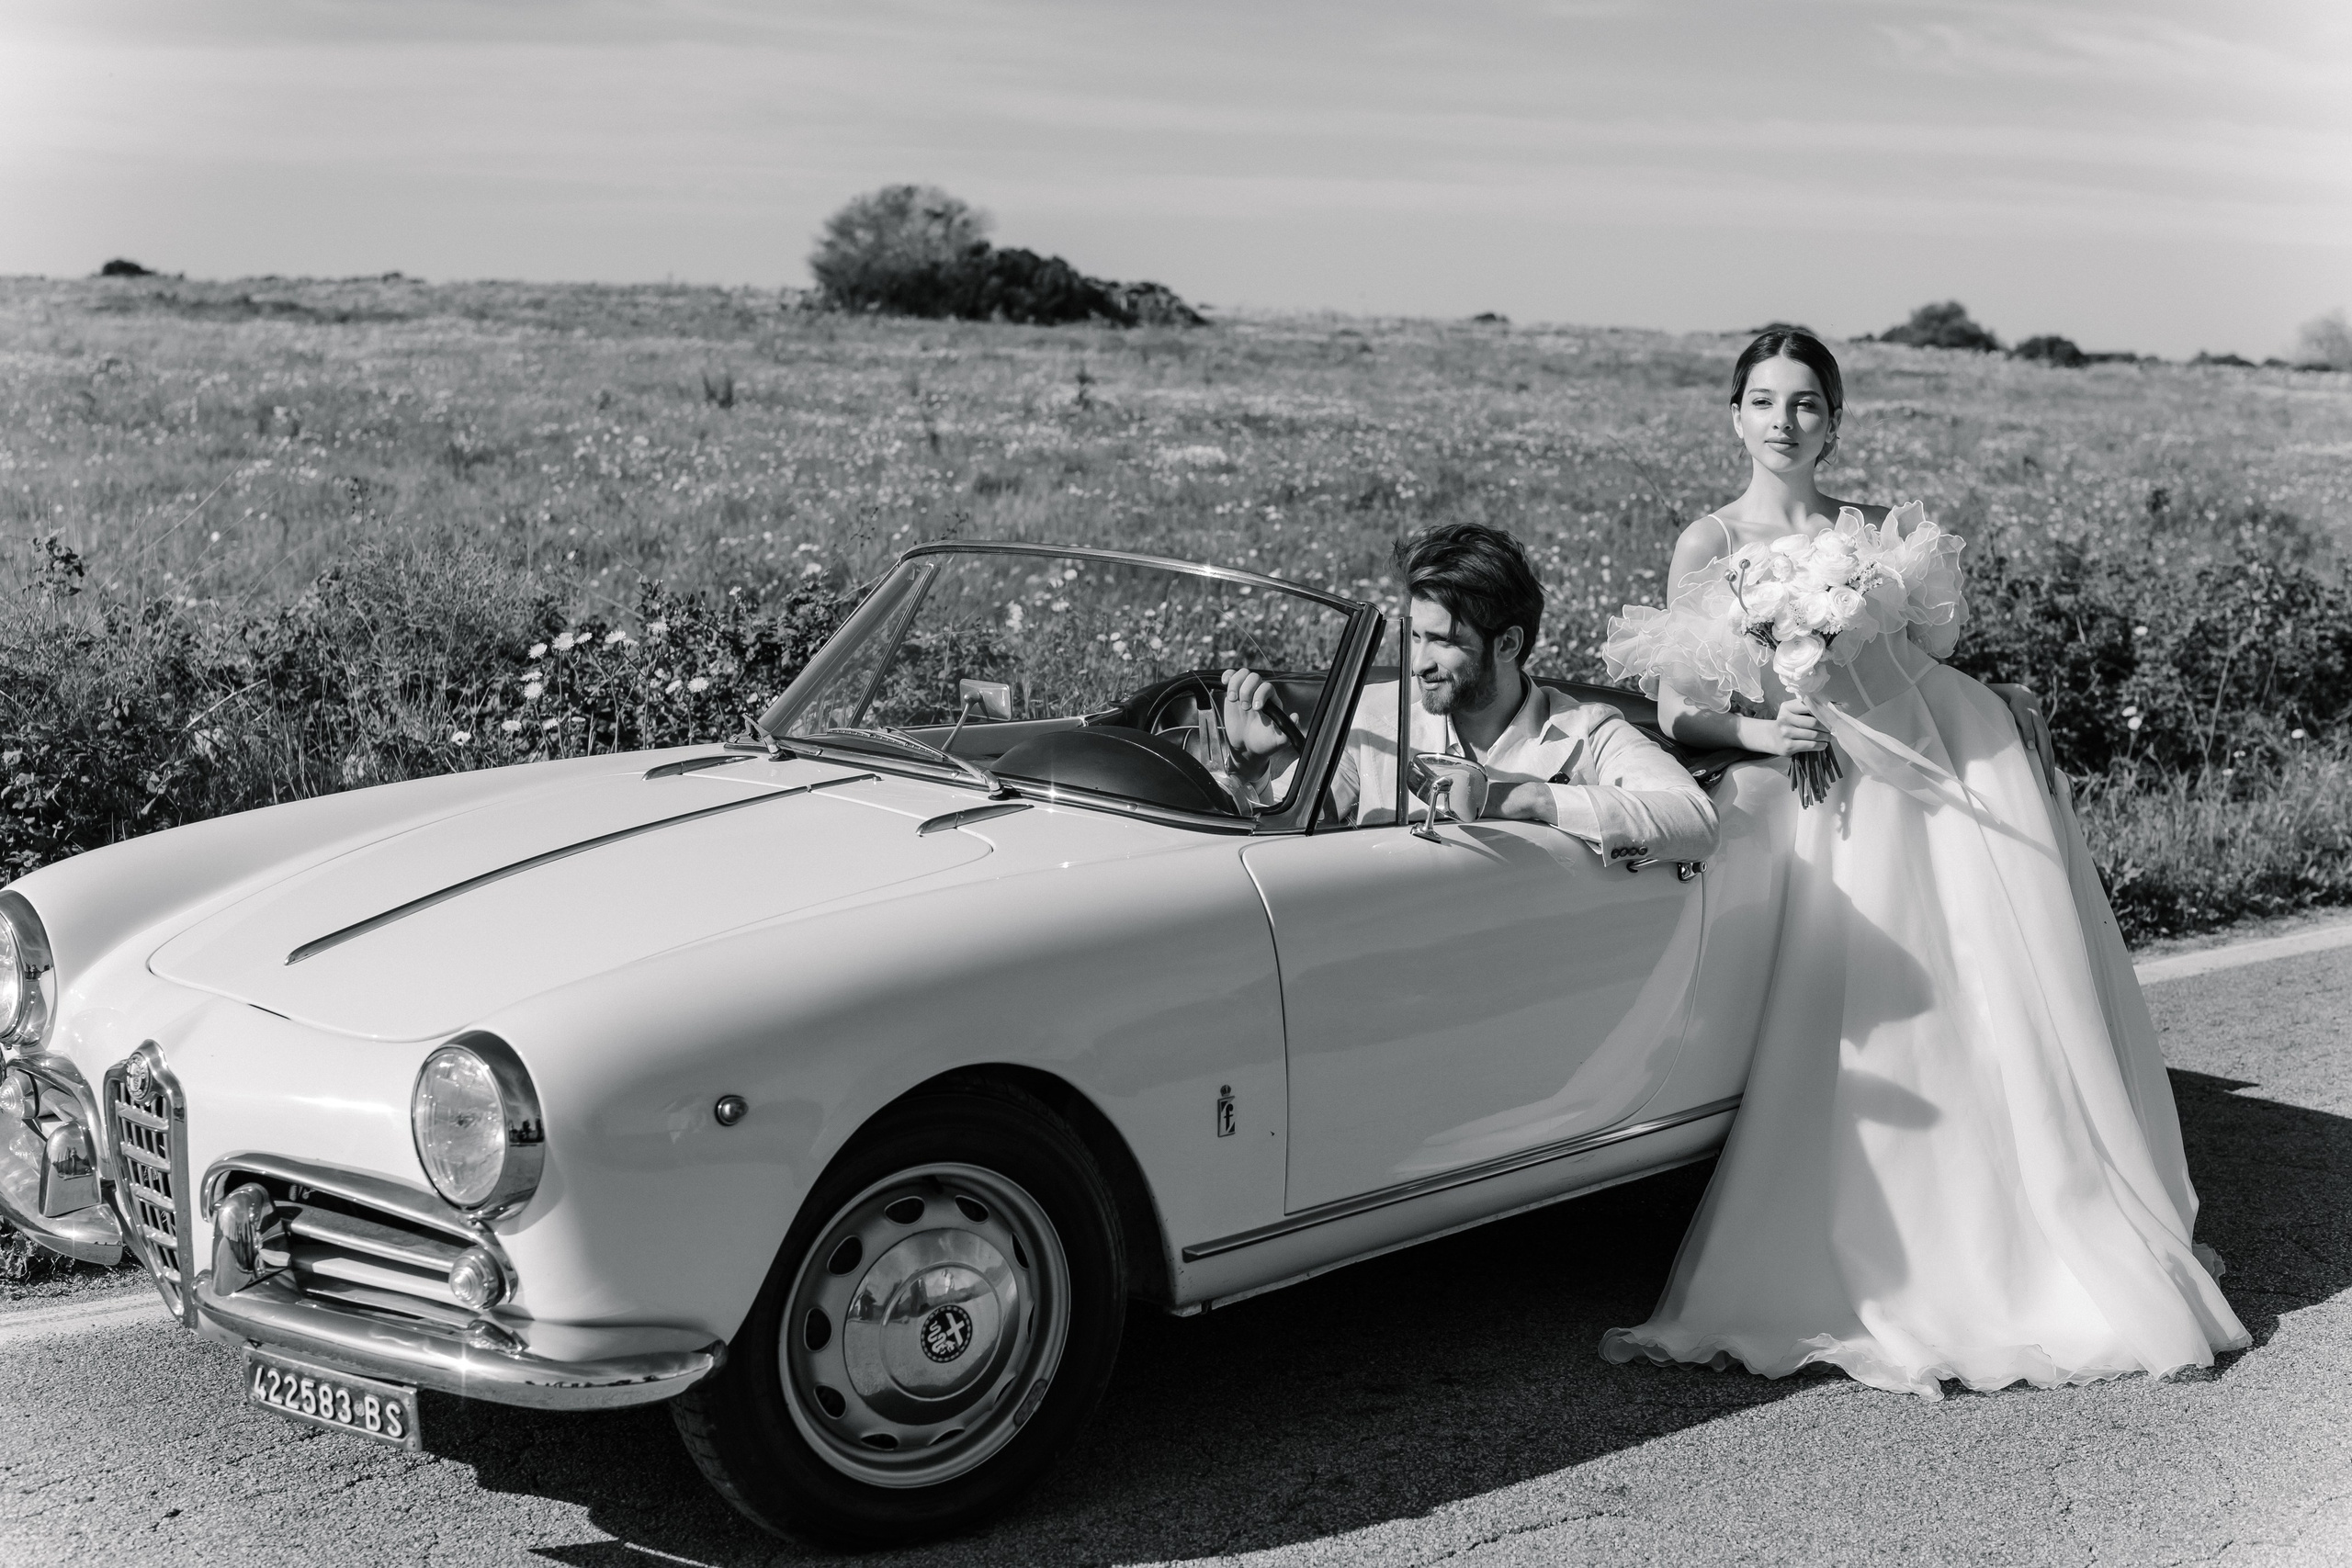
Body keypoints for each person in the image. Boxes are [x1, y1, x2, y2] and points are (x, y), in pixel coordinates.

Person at [1596, 327, 2247, 1397]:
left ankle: (2016, 1239)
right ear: (1734, 416)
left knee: (1969, 998)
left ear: (1834, 420)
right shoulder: (1705, 541)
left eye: (1806, 403)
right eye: (1763, 401)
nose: (1783, 422)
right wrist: (1765, 737)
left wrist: (2003, 705)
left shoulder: (1870, 539)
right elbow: (1680, 703)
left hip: (1902, 782)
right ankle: (1869, 1244)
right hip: (1811, 788)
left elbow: (1909, 670)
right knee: (1857, 1021)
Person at [1221, 521, 1716, 867]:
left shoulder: (1588, 731)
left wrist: (1529, 800)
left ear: (1507, 643)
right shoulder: (1376, 713)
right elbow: (1306, 825)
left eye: (1444, 641)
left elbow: (1695, 822)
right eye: (1416, 636)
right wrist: (1251, 769)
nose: (1418, 664)